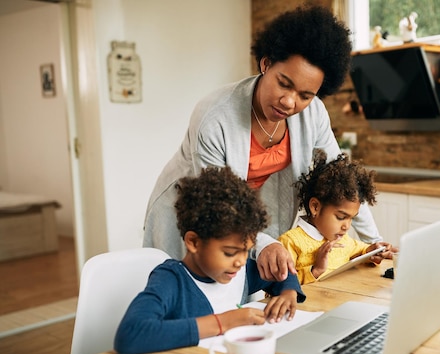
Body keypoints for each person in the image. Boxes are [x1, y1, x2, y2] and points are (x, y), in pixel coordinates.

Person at [142, 5, 385, 283]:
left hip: (243, 215)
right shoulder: (215, 117)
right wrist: (264, 242)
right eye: (284, 84)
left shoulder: (313, 113)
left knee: (243, 292)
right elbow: (218, 201)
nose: (290, 102)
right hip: (193, 209)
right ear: (266, 64)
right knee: (185, 293)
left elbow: (347, 183)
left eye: (305, 95)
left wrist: (374, 241)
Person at [115, 167, 305, 354]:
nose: (241, 261)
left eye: (247, 251)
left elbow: (281, 273)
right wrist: (222, 322)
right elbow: (130, 335)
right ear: (194, 242)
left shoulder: (237, 271)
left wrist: (288, 293)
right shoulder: (171, 280)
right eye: (230, 252)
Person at [278, 151, 394, 284]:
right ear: (315, 207)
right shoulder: (289, 242)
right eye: (340, 217)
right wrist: (316, 270)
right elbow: (278, 288)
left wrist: (373, 251)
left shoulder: (343, 239)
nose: (347, 226)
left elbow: (361, 250)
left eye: (352, 219)